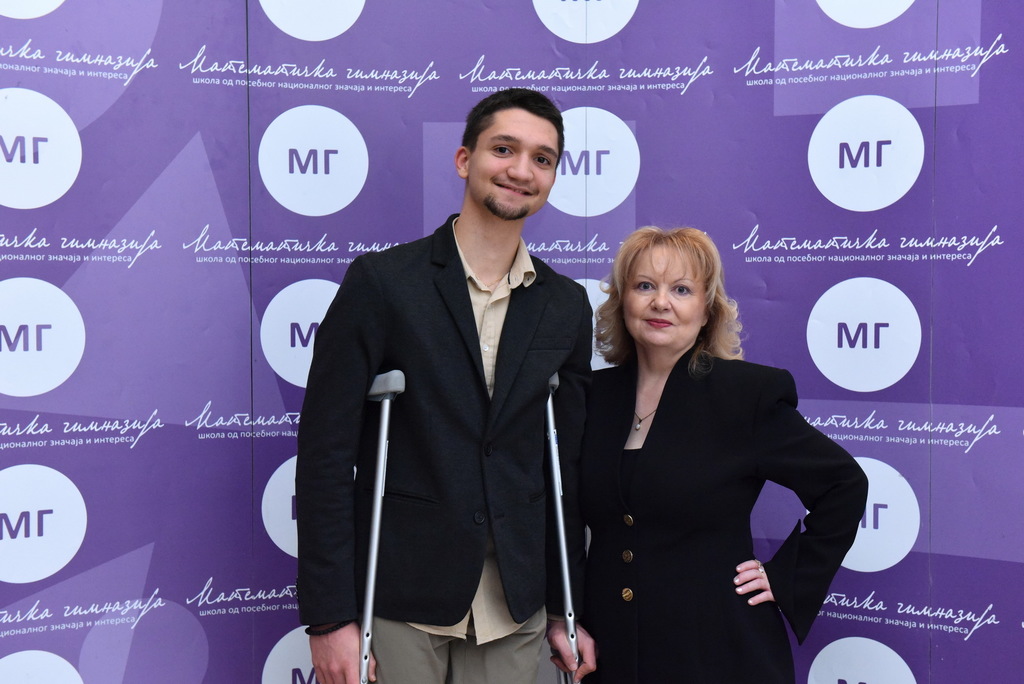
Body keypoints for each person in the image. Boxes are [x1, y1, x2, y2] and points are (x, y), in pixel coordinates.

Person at [295, 88, 597, 684]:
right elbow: (326, 455)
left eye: (542, 159)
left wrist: (568, 606)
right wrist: (329, 618)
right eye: (504, 149)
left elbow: (564, 472)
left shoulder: (565, 305)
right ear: (465, 160)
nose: (521, 170)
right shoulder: (383, 283)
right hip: (402, 591)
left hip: (514, 601)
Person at [577, 226, 868, 683]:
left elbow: (844, 484)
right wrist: (570, 615)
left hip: (719, 651)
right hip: (613, 650)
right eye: (644, 286)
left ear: (707, 309)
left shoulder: (746, 395)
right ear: (622, 300)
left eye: (681, 290)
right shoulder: (593, 396)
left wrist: (787, 575)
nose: (660, 302)